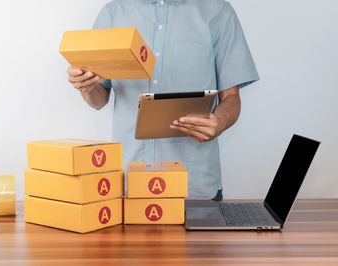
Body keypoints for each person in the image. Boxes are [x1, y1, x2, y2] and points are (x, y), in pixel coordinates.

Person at [67, 0, 259, 200]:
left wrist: (220, 122)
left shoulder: (219, 12)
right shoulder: (113, 13)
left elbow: (231, 97)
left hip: (194, 186)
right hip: (128, 185)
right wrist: (86, 87)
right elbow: (99, 100)